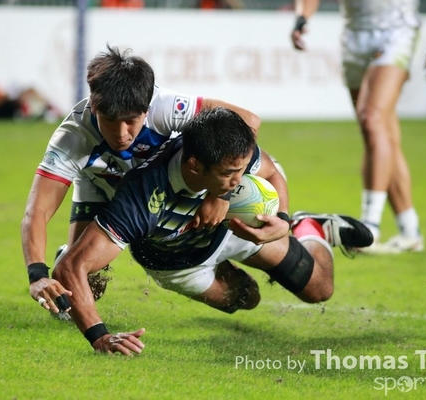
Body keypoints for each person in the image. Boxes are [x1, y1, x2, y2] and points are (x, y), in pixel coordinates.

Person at [52, 107, 373, 355]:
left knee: (319, 290)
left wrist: (282, 220)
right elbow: (71, 266)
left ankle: (310, 227)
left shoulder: (228, 151)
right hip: (177, 261)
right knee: (246, 298)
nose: (239, 180)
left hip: (232, 228)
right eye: (230, 174)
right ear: (193, 165)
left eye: (241, 171)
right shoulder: (142, 199)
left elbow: (272, 171)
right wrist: (100, 337)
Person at [22, 45, 264, 314]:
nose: (121, 134)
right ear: (93, 105)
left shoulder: (166, 107)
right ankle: (68, 252)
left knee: (245, 296)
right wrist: (37, 274)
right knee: (83, 281)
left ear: (147, 109)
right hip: (99, 184)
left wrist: (220, 195)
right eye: (110, 120)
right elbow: (37, 210)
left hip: (153, 185)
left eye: (131, 121)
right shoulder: (72, 138)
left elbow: (249, 121)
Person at [291, 0, 426, 254]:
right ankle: (410, 229)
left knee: (372, 118)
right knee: (381, 133)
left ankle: (370, 227)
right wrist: (302, 18)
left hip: (396, 31)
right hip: (353, 35)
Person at [0, 54, 54, 120]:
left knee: (29, 90)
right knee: (14, 98)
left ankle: (46, 109)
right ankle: (44, 111)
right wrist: (3, 97)